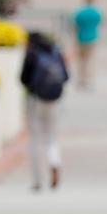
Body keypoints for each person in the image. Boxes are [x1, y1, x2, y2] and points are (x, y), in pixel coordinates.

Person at [20, 30, 69, 191]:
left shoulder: (32, 54)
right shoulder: (55, 51)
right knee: (51, 137)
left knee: (35, 138)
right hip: (55, 100)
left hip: (36, 100)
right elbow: (66, 77)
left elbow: (23, 79)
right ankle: (54, 162)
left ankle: (37, 180)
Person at [72, 0, 104, 90]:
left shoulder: (80, 12)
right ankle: (89, 80)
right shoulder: (96, 13)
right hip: (92, 38)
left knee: (81, 61)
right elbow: (100, 23)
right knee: (90, 60)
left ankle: (81, 79)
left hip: (81, 38)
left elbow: (75, 25)